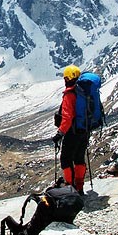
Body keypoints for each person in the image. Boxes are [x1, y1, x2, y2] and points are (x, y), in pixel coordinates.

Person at [52, 65, 89, 194]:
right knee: (79, 158)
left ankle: (70, 187)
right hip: (84, 131)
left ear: (67, 78)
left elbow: (67, 117)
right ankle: (80, 186)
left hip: (72, 133)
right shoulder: (83, 91)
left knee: (66, 160)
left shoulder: (70, 94)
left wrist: (60, 133)